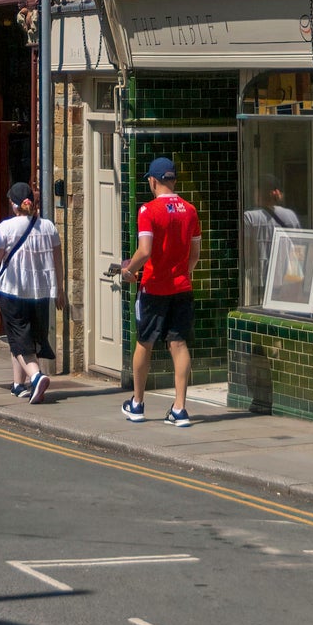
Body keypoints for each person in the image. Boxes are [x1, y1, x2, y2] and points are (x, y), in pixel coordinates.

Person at [116, 157, 201, 426]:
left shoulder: (148, 211)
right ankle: (180, 409)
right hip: (182, 287)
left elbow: (145, 251)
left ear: (153, 181)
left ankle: (137, 403)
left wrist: (128, 270)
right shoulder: (190, 210)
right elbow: (195, 254)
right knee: (178, 343)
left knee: (145, 342)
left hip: (153, 287)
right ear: (173, 179)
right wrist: (183, 272)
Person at [0, 182, 62, 403]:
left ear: (14, 205)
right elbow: (58, 262)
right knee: (29, 339)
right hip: (41, 292)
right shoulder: (49, 227)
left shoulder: (5, 227)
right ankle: (18, 385)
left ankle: (36, 377)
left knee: (17, 339)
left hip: (12, 291)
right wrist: (60, 290)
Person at [241, 173, 300, 306]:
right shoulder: (290, 216)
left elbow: (246, 249)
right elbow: (299, 247)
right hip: (286, 278)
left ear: (260, 192)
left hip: (259, 278)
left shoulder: (249, 217)